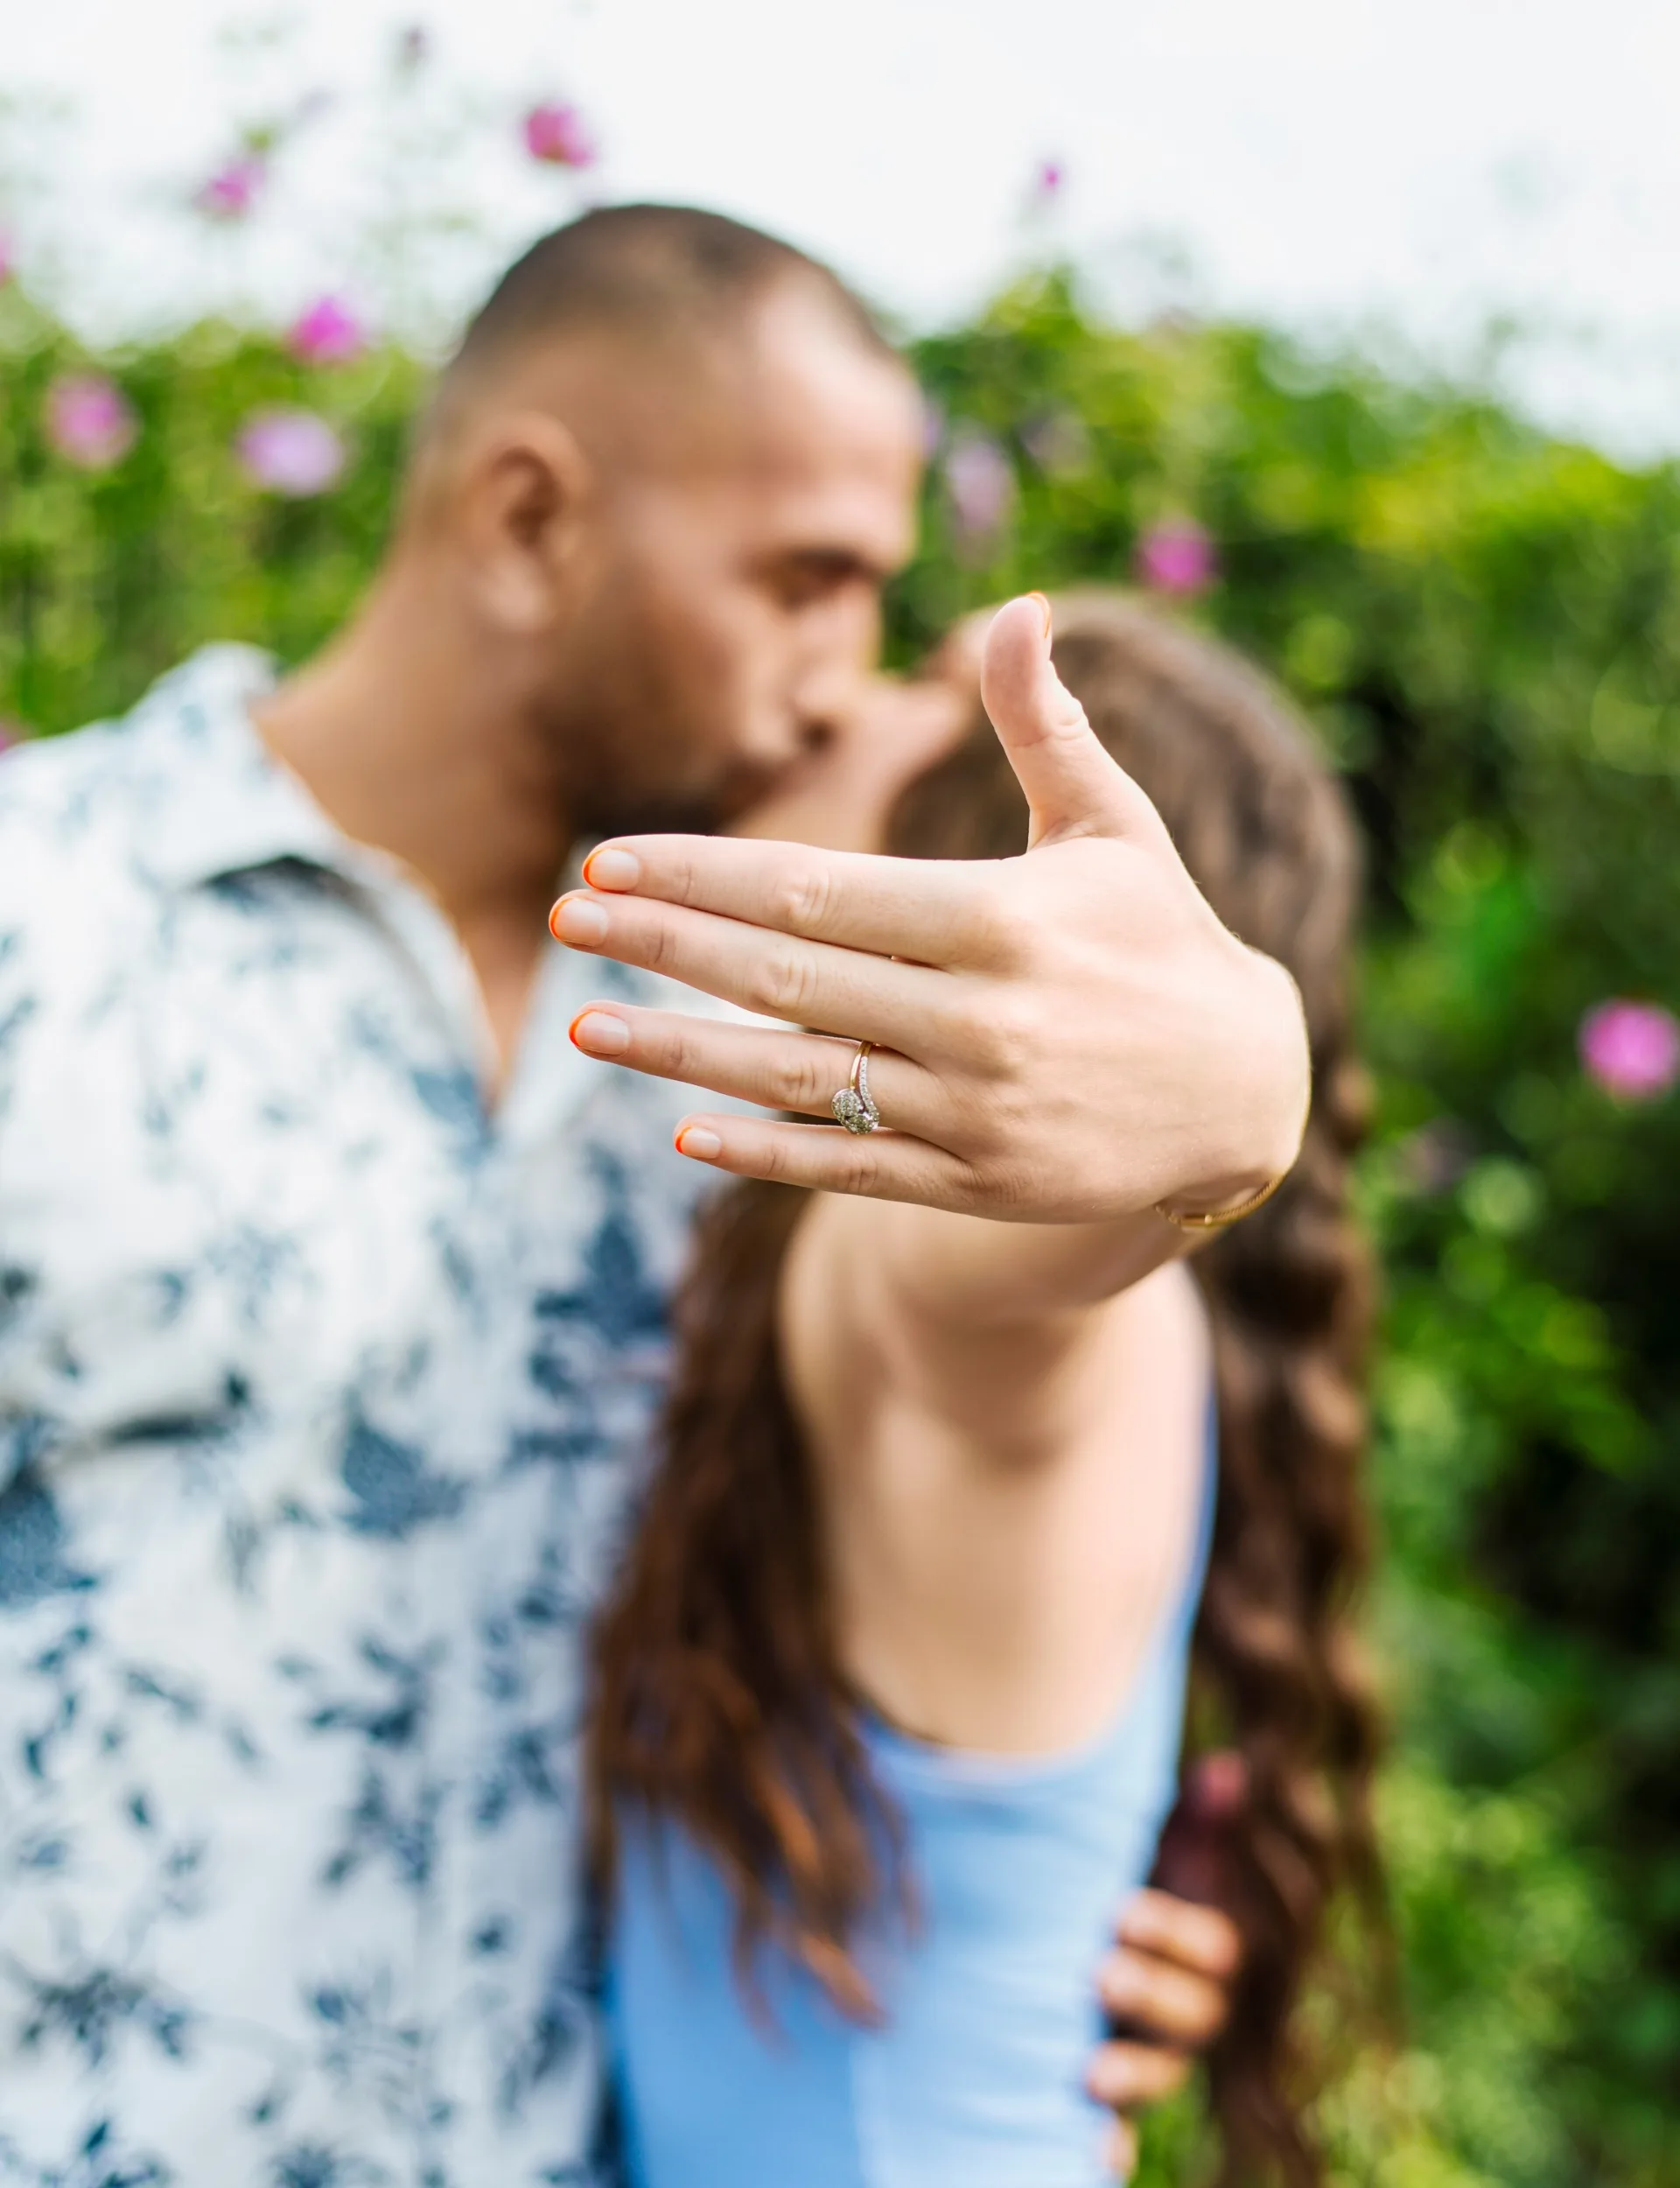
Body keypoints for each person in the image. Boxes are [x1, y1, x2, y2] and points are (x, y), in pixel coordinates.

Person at [0, 209, 1301, 2183]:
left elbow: (976, 1399)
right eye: (805, 580)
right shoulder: (42, 921)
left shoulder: (773, 1039)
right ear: (532, 521)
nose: (842, 678)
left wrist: (1232, 1080)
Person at [583, 590, 1384, 2185]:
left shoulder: (984, 1306)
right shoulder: (813, 1231)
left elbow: (1000, 1299)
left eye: (923, 685)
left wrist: (1237, 1086)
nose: (845, 697)